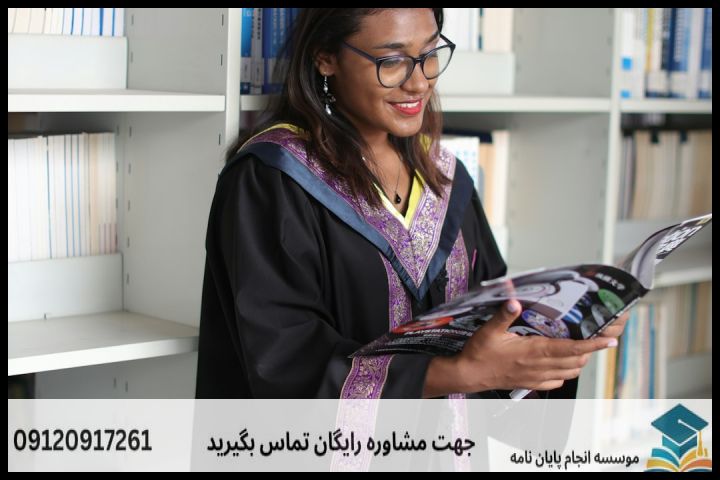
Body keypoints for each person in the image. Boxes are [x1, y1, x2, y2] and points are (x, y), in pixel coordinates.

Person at [195, 8, 628, 399]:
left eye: (429, 54)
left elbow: (492, 317)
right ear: (325, 57)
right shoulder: (272, 181)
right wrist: (456, 374)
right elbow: (284, 363)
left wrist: (565, 327)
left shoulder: (445, 176)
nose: (419, 82)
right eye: (392, 60)